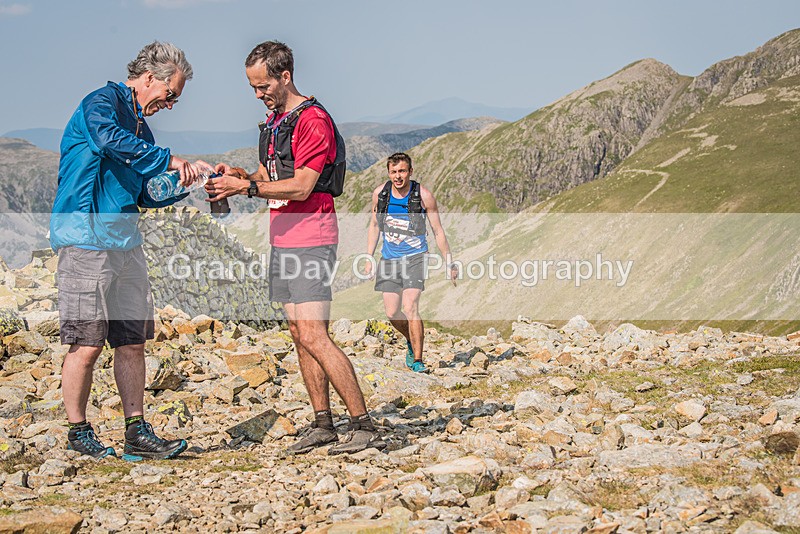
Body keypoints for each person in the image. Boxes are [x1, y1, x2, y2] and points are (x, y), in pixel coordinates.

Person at [205, 40, 384, 455]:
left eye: (263, 85)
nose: (258, 94)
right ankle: (323, 423)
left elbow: (303, 185)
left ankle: (363, 423)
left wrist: (245, 187)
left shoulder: (313, 120)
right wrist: (236, 174)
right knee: (297, 333)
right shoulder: (274, 122)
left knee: (314, 334)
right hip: (283, 236)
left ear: (285, 76)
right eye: (252, 87)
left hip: (312, 237)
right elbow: (270, 174)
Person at [50, 41, 201, 461]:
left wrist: (186, 183)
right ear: (150, 78)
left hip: (125, 240)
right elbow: (107, 140)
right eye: (171, 94)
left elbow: (146, 192)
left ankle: (136, 430)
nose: (170, 104)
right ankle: (78, 432)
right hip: (85, 236)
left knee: (132, 340)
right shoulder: (101, 103)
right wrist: (170, 160)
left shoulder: (142, 127)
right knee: (86, 342)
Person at [364, 153, 458, 373]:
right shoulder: (381, 194)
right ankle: (410, 339)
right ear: (389, 173)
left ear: (410, 171)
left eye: (402, 171)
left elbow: (438, 231)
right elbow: (374, 226)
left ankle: (417, 359)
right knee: (392, 312)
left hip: (416, 257)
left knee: (410, 307)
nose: (398, 176)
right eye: (394, 172)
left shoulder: (423, 196)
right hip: (389, 258)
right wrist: (369, 257)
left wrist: (449, 263)